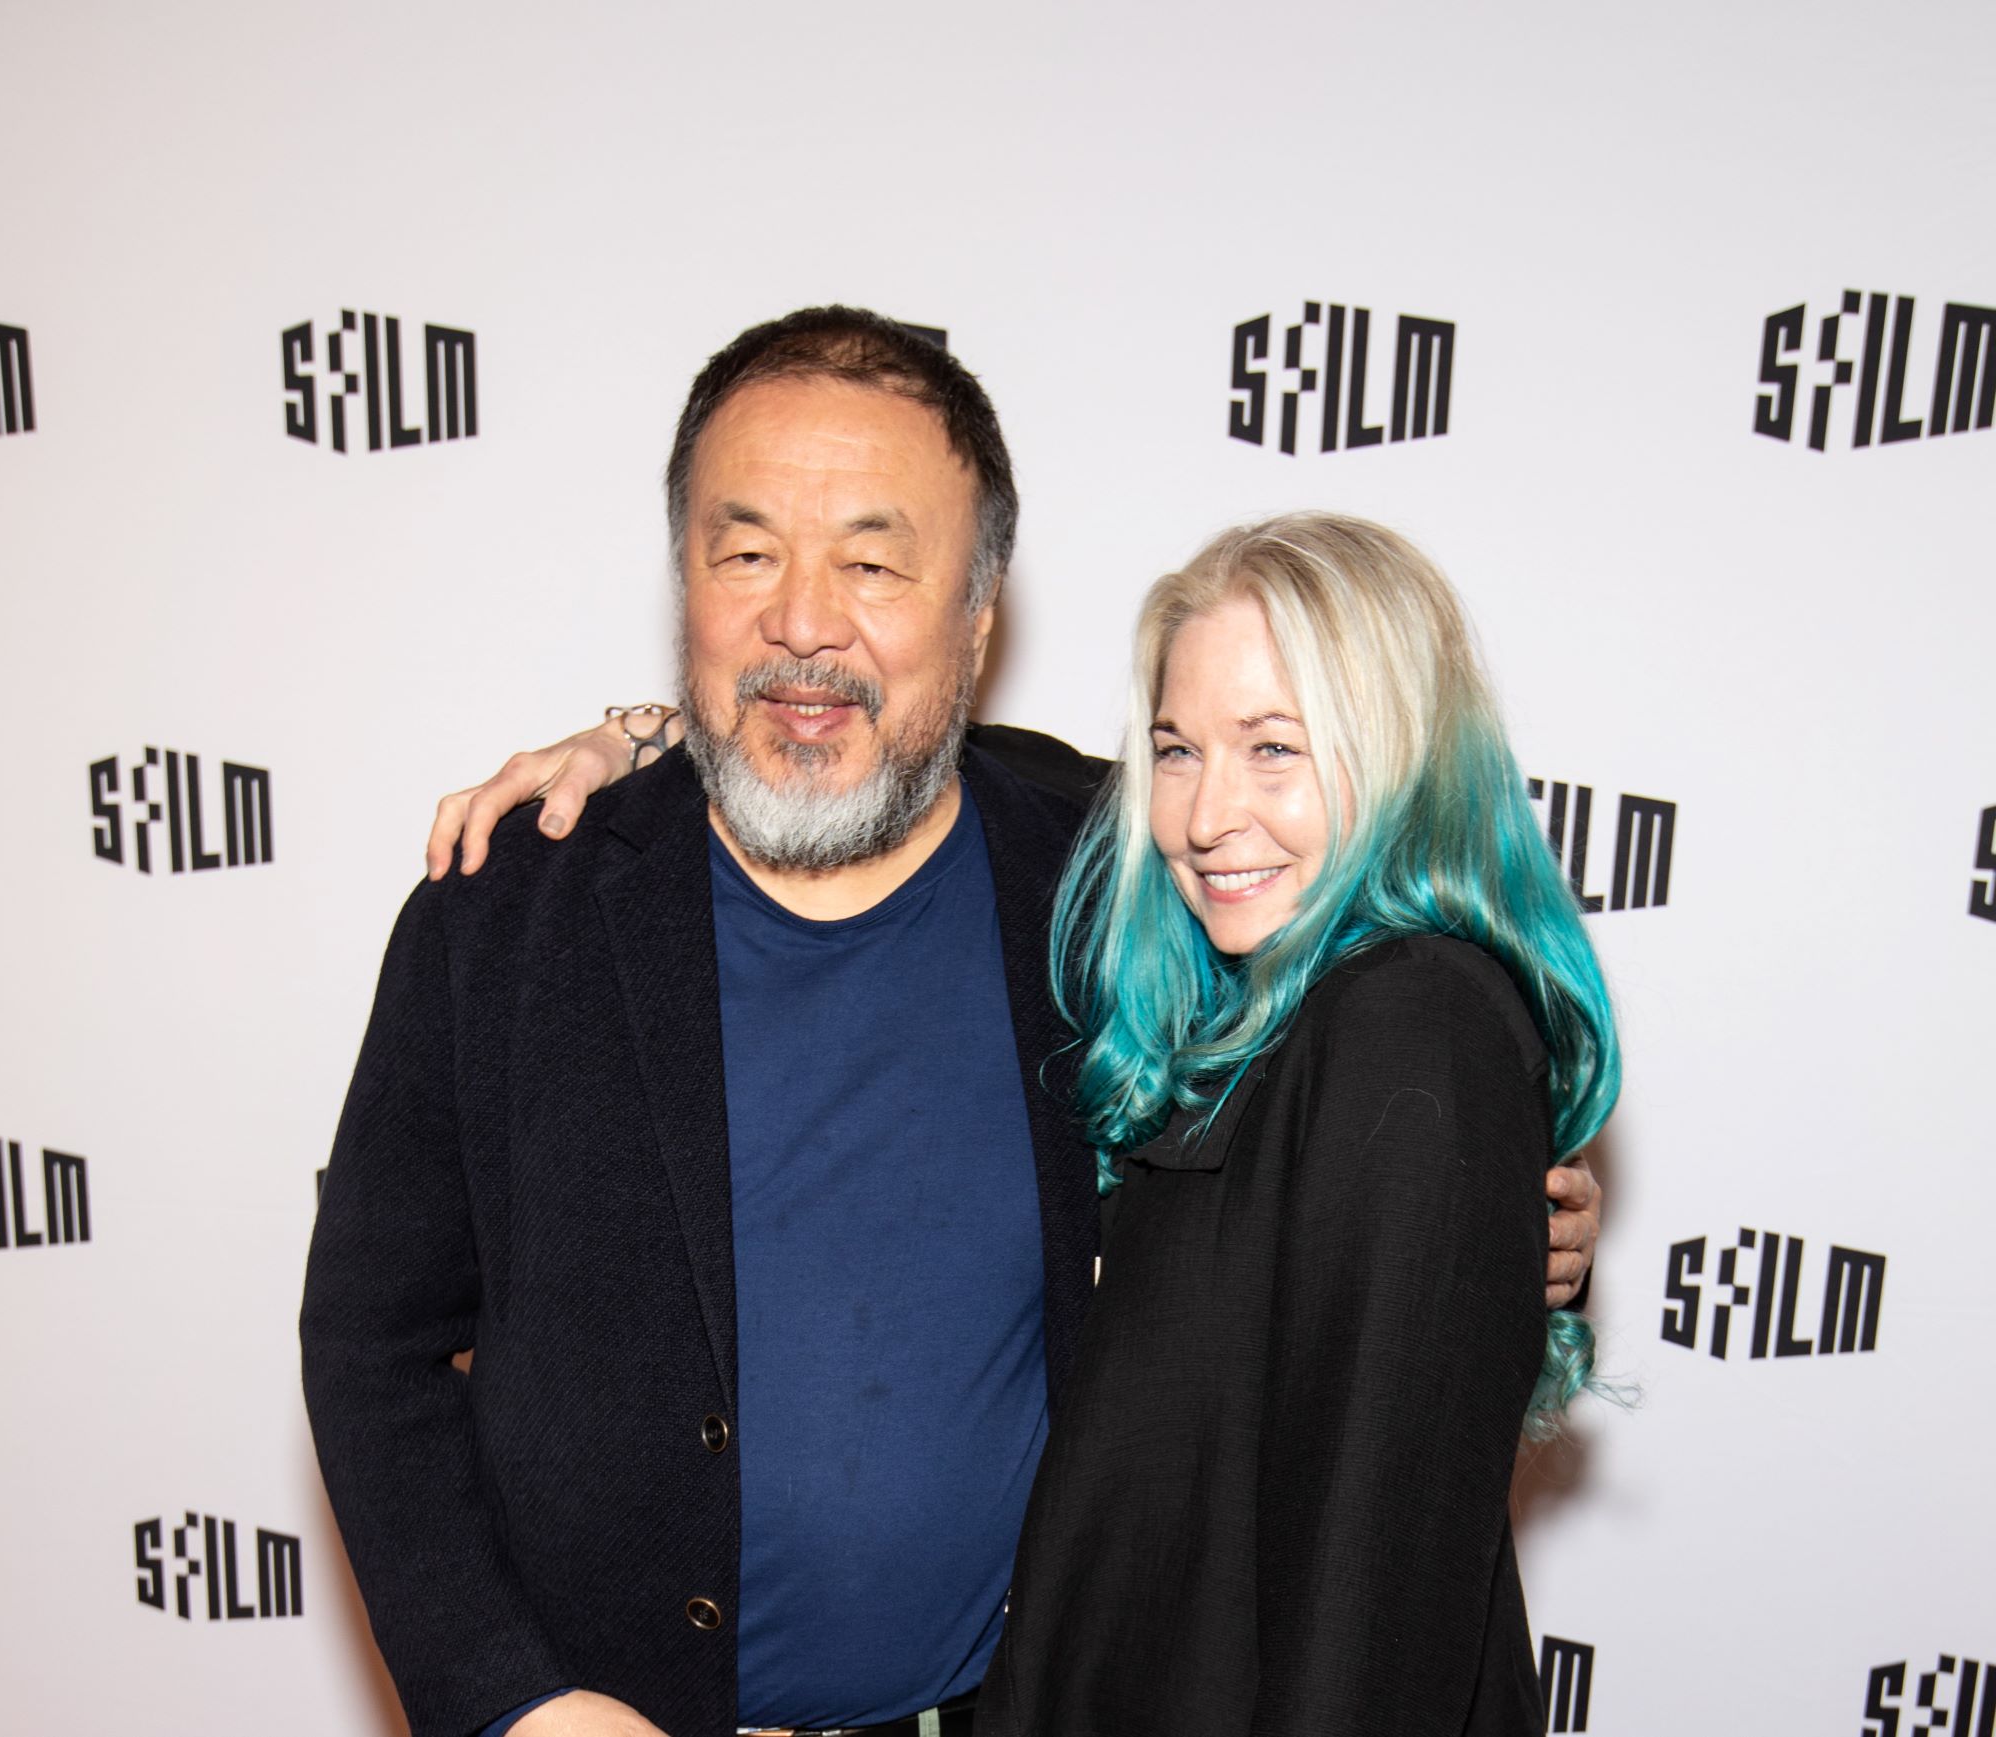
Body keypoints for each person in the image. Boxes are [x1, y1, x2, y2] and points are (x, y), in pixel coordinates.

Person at [304, 306, 1599, 1737]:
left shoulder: (1129, 883)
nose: (803, 620)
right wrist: (511, 1700)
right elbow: (372, 1348)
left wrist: (1488, 1218)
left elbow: (1363, 1100)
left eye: (871, 561)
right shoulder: (505, 918)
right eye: (746, 555)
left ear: (978, 615)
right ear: (685, 581)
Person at [978, 513, 1620, 1736]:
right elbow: (1004, 771)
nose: (1206, 815)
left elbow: (1366, 1605)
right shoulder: (1279, 1001)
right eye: (1175, 750)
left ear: (1402, 757)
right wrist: (664, 736)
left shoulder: (1406, 1032)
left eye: (1276, 748)